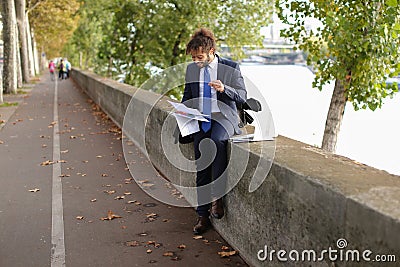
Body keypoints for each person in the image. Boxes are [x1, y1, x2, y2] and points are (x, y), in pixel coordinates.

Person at [182, 28, 247, 234]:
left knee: (218, 143)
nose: (196, 61)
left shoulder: (230, 67)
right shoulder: (192, 70)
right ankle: (202, 215)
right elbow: (187, 96)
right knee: (201, 163)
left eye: (199, 57)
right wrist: (182, 113)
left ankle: (217, 199)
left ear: (211, 51)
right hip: (202, 119)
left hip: (224, 117)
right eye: (193, 58)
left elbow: (243, 96)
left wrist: (224, 89)